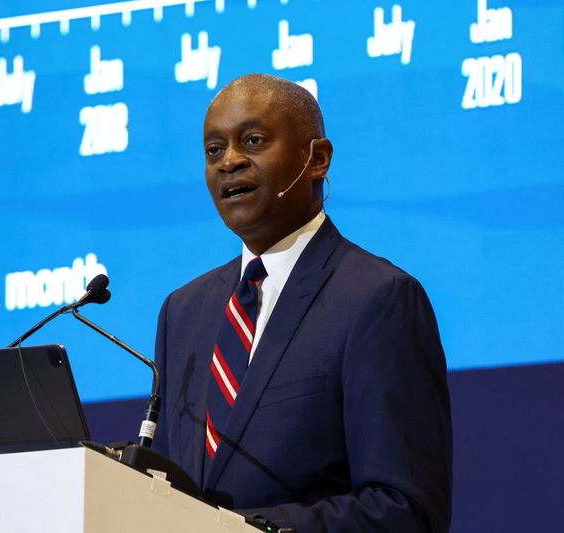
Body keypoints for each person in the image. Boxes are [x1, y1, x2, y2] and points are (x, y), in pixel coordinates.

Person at [152, 73, 452, 532]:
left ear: (318, 159)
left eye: (252, 141)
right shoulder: (183, 311)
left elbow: (405, 508)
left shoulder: (377, 299)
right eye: (214, 150)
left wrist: (242, 529)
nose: (229, 161)